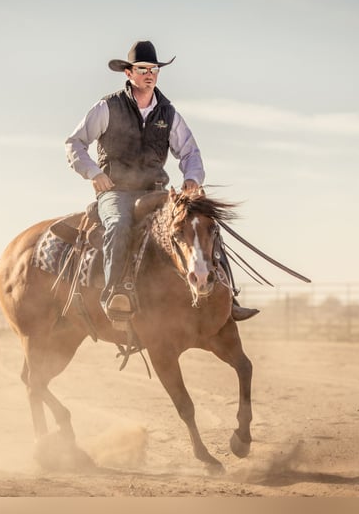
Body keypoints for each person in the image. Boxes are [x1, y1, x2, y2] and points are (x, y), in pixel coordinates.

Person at [65, 40, 258, 325]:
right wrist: (94, 173)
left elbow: (190, 152)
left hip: (155, 192)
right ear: (128, 73)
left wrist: (192, 178)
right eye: (142, 69)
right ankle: (114, 293)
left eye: (154, 69)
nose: (149, 74)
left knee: (203, 222)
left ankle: (229, 296)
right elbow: (75, 143)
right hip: (116, 191)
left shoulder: (168, 113)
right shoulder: (108, 107)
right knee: (118, 225)